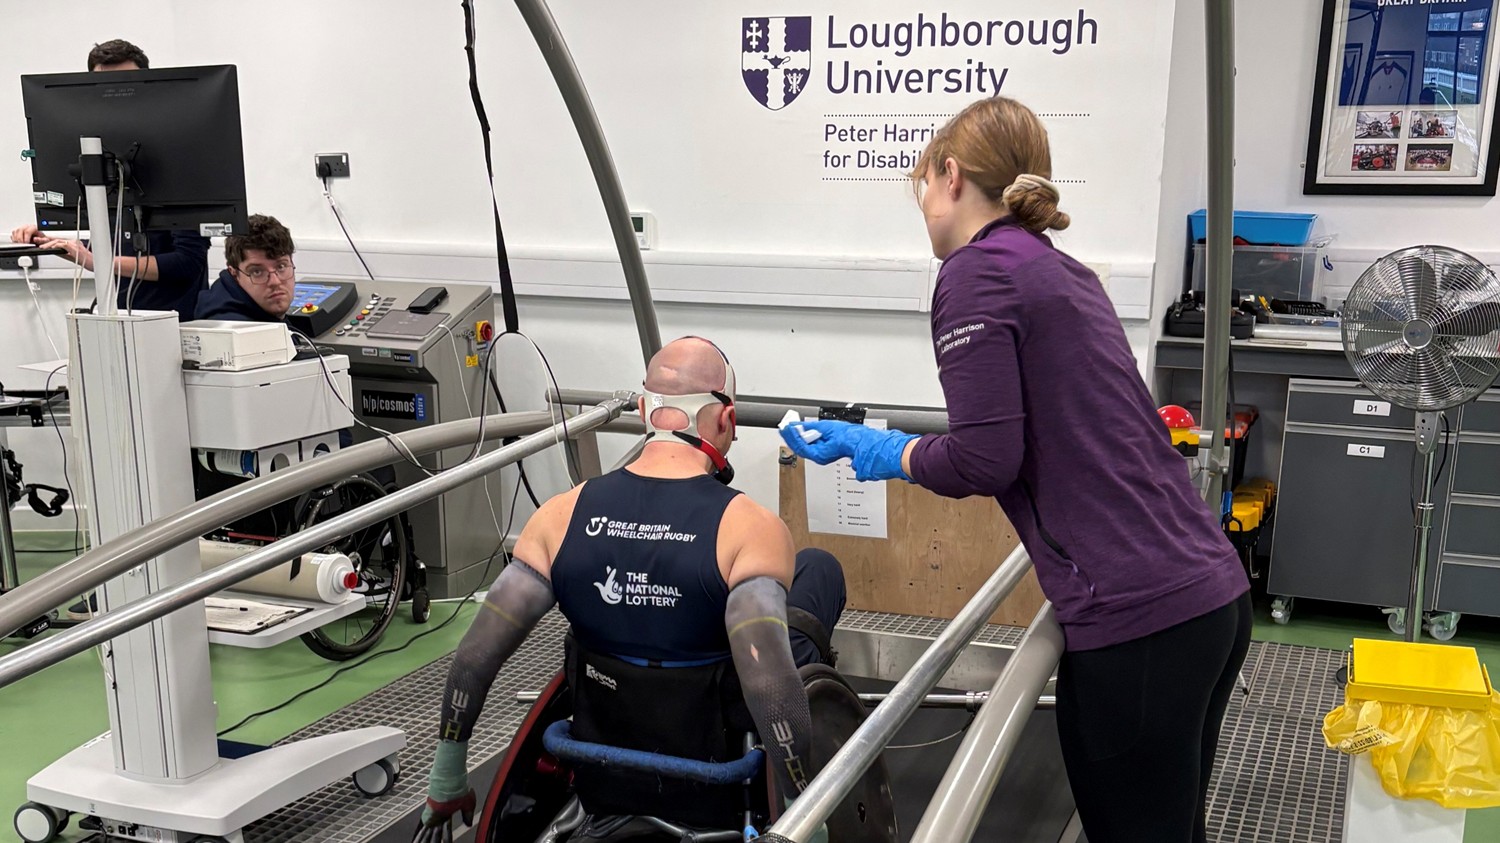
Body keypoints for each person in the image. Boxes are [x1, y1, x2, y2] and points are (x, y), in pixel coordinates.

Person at [779, 97, 1252, 843]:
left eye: (923, 188)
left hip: (1139, 620)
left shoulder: (974, 275)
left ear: (951, 174)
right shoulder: (1060, 271)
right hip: (1210, 599)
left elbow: (984, 455)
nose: (925, 209)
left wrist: (880, 452)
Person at [414, 337, 846, 840]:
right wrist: (804, 814)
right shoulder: (749, 527)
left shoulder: (559, 515)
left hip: (605, 757)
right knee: (818, 569)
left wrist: (447, 777)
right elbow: (769, 678)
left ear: (644, 410)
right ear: (725, 420)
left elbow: (475, 656)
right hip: (715, 764)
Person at [8, 39, 210, 318]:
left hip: (172, 323)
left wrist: (99, 261)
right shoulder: (100, 163)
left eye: (125, 84)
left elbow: (187, 263)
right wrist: (58, 244)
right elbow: (115, 243)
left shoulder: (181, 160)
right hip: (113, 316)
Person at [195, 214, 296, 322]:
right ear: (234, 274)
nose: (275, 282)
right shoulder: (235, 330)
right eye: (257, 272)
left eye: (281, 266)